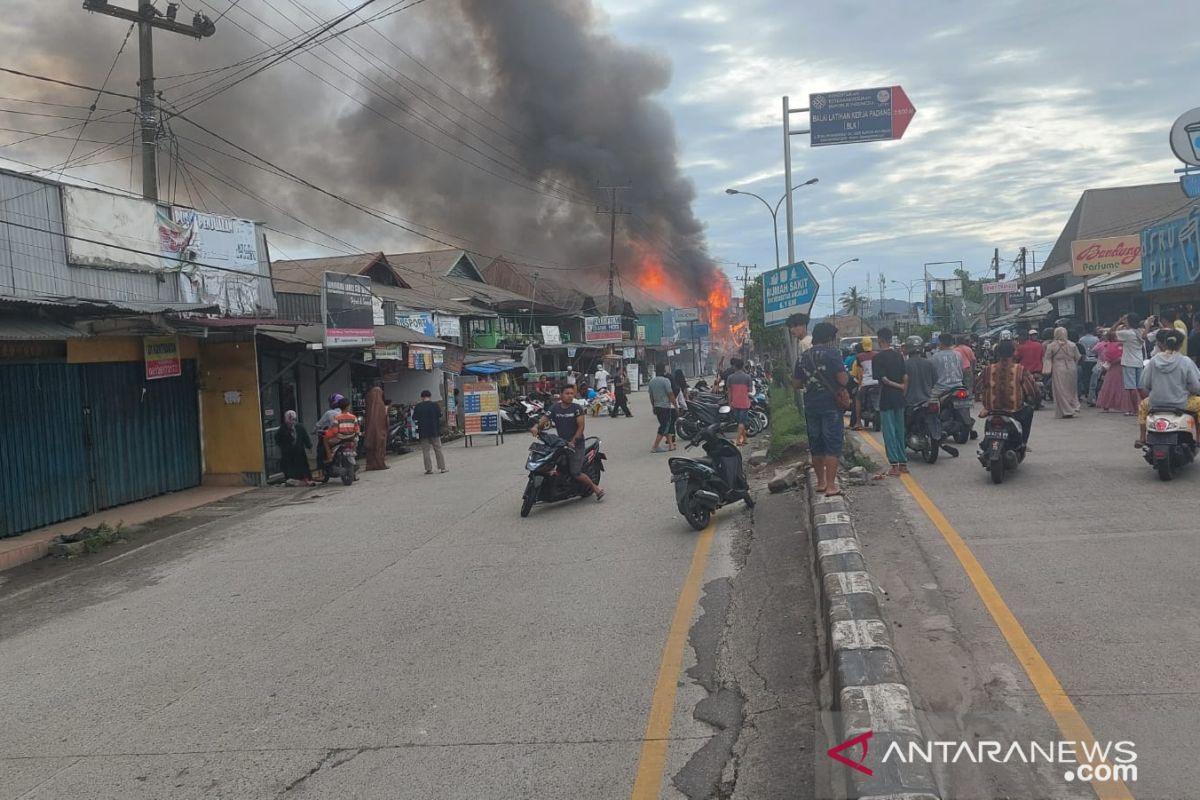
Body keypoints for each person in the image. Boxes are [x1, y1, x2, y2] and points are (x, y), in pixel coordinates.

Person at [795, 321, 847, 497]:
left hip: (811, 405)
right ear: (829, 338)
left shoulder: (803, 357)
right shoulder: (833, 354)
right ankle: (832, 485)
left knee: (816, 445)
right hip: (831, 406)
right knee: (832, 445)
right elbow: (842, 380)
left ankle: (821, 482)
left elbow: (796, 383)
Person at [532, 384, 604, 500]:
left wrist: (573, 441)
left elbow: (581, 427)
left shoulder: (577, 408)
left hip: (577, 445)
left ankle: (596, 488)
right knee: (550, 464)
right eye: (567, 393)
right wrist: (536, 427)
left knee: (575, 472)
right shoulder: (555, 408)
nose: (570, 396)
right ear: (561, 395)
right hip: (561, 443)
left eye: (572, 394)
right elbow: (544, 420)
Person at [1134, 328, 1200, 448]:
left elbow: (1145, 384)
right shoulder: (1185, 361)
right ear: (1180, 344)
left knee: (1143, 405)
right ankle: (1199, 438)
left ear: (1164, 343)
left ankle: (1142, 437)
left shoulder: (1153, 361)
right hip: (1181, 403)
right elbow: (1195, 387)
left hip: (1155, 403)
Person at [976, 339, 1040, 445]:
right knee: (1029, 410)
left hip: (992, 410)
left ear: (998, 352)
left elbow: (977, 387)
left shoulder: (988, 369)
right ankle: (1023, 442)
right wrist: (1036, 397)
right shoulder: (1020, 369)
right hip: (1014, 410)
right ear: (1014, 352)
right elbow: (1031, 390)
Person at [871, 328, 909, 477]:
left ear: (880, 339)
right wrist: (902, 389)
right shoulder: (899, 356)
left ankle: (894, 466)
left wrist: (897, 386)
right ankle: (903, 463)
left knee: (889, 432)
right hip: (899, 398)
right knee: (900, 430)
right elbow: (905, 376)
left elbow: (883, 380)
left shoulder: (878, 358)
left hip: (886, 398)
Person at [904, 336, 940, 441]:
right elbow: (935, 380)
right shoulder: (929, 363)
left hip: (910, 402)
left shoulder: (905, 364)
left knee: (902, 427)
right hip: (928, 400)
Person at [1112, 314, 1146, 416]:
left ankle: (1135, 409)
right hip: (1139, 361)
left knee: (1131, 387)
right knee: (1140, 387)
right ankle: (1146, 406)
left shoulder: (1127, 333)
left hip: (1128, 362)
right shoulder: (1141, 331)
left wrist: (1119, 321)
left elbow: (1111, 333)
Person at [1045, 327, 1081, 418]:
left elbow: (1047, 358)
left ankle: (1066, 410)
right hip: (1072, 368)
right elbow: (1077, 357)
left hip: (1058, 368)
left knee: (1060, 390)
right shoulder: (1072, 345)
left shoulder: (1051, 346)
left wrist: (1047, 369)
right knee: (1071, 390)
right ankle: (1073, 406)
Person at [322, 397, 361, 478]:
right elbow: (357, 430)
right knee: (356, 440)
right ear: (348, 406)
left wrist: (331, 434)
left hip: (339, 439)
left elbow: (335, 431)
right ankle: (353, 451)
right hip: (351, 439)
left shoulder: (337, 418)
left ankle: (329, 457)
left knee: (325, 440)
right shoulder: (353, 417)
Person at [412, 389, 447, 474]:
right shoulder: (435, 405)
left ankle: (428, 469)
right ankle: (442, 468)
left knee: (426, 451)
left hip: (423, 432)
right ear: (430, 396)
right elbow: (440, 415)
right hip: (434, 430)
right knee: (438, 449)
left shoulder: (418, 406)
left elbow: (414, 418)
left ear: (421, 397)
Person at [275, 410, 313, 485]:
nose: (291, 423)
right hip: (288, 453)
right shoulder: (282, 429)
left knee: (302, 466)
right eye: (289, 421)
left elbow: (306, 438)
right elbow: (277, 439)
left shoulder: (300, 427)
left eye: (293, 420)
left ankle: (304, 479)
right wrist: (283, 447)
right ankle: (291, 479)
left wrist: (309, 446)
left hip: (299, 452)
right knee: (289, 467)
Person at [314, 393, 345, 483]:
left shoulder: (329, 413)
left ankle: (321, 474)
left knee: (320, 449)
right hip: (347, 436)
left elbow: (319, 424)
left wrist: (315, 429)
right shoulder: (346, 412)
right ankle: (353, 474)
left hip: (335, 438)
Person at [648, 363, 678, 453]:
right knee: (664, 426)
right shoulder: (666, 381)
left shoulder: (652, 381)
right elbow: (670, 394)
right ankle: (655, 446)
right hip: (665, 407)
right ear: (664, 371)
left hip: (657, 406)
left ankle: (671, 445)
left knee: (666, 425)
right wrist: (675, 405)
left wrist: (653, 406)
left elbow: (651, 396)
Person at [849, 336, 877, 431]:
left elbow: (860, 374)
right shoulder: (877, 355)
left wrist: (860, 385)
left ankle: (858, 422)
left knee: (858, 400)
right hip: (877, 382)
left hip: (866, 383)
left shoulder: (859, 357)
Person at [726, 357, 754, 447]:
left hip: (734, 403)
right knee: (742, 422)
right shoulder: (747, 377)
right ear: (742, 366)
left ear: (735, 367)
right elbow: (750, 390)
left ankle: (744, 439)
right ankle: (738, 441)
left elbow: (729, 392)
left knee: (740, 422)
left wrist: (729, 403)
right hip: (744, 403)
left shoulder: (730, 378)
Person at [363, 383, 389, 470]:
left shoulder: (369, 404)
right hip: (380, 431)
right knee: (380, 446)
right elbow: (385, 419)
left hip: (369, 431)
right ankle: (379, 464)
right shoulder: (381, 406)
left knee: (371, 447)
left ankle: (370, 464)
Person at [930, 332, 964, 397]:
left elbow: (932, 374)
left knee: (931, 402)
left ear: (941, 343)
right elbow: (962, 370)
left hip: (941, 389)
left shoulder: (935, 356)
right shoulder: (958, 355)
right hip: (958, 387)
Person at [1078, 324, 1099, 405]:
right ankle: (1093, 395)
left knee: (1086, 378)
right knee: (1094, 378)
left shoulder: (1081, 339)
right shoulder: (1096, 339)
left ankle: (1087, 393)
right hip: (1094, 359)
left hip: (1085, 360)